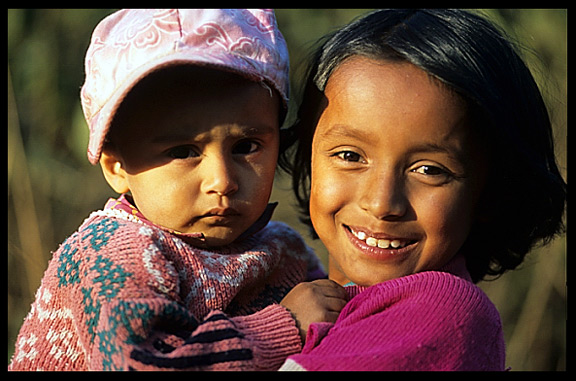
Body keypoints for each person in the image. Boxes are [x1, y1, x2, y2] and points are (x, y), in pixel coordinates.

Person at [9, 9, 347, 371]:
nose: (222, 181)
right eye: (183, 152)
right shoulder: (109, 253)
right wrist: (284, 326)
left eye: (246, 146)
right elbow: (140, 364)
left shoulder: (285, 252)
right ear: (116, 168)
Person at [279, 9, 566, 371]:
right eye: (350, 156)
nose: (382, 202)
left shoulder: (441, 311)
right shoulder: (299, 288)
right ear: (308, 154)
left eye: (429, 170)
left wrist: (273, 332)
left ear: (491, 191)